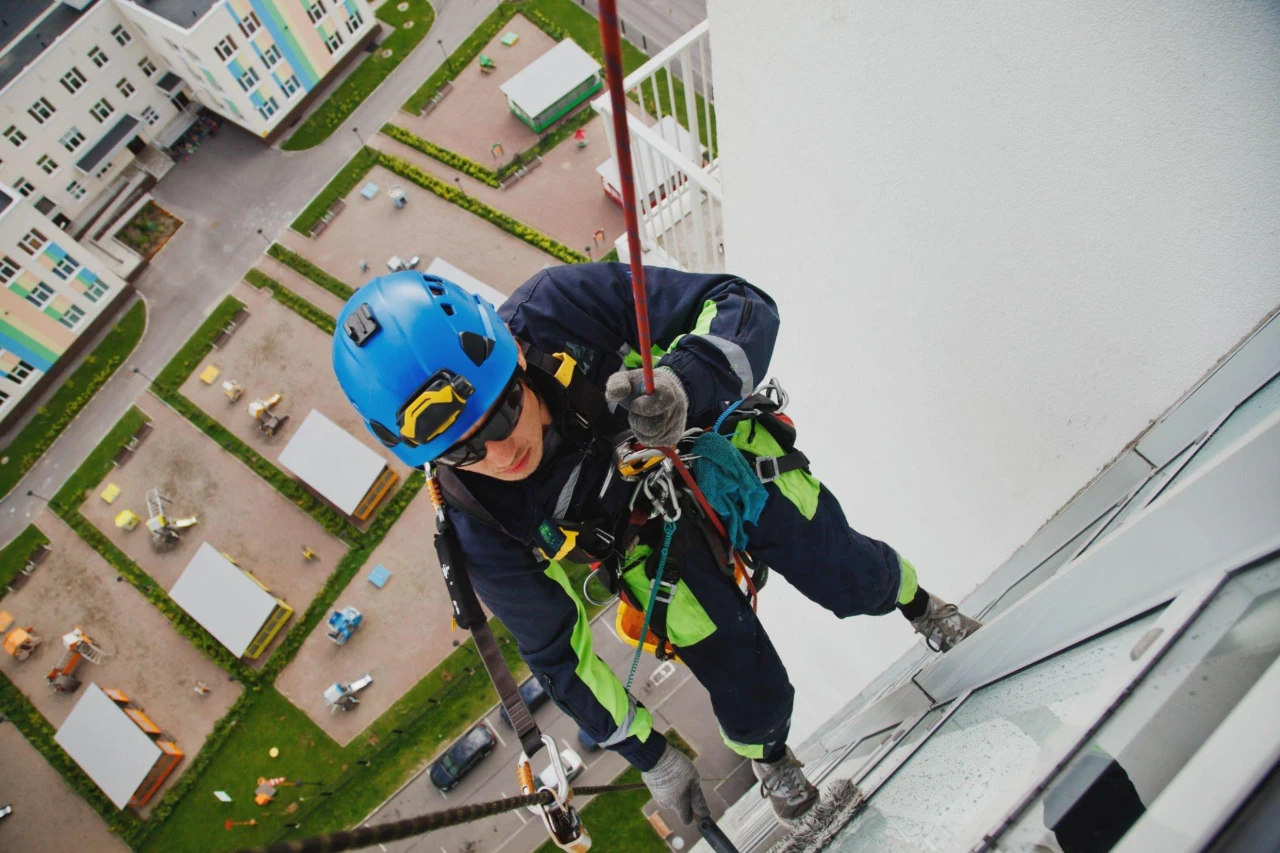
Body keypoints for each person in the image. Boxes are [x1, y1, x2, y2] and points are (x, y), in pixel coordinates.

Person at [332, 264, 982, 826]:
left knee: (843, 566)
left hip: (714, 458)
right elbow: (559, 655)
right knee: (739, 673)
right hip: (646, 548)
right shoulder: (475, 520)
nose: (502, 453)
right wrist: (652, 754)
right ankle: (775, 765)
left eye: (503, 411)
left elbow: (739, 302)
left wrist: (683, 382)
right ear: (432, 456)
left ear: (514, 355)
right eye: (464, 448)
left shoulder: (558, 310)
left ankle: (920, 605)